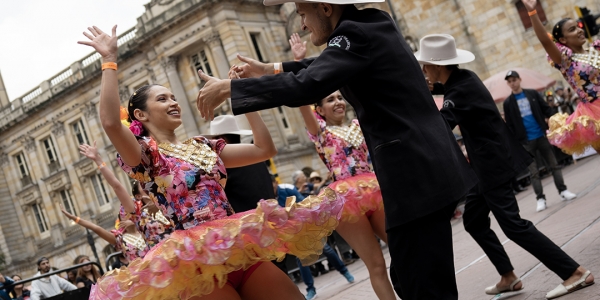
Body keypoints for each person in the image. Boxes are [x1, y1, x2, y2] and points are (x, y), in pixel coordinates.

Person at [196, 1, 478, 298]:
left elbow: (310, 82)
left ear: (325, 8)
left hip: (413, 172)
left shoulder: (353, 33)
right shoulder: (370, 24)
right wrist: (270, 69)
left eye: (303, 14)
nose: (302, 24)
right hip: (423, 167)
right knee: (417, 275)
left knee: (422, 282)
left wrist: (230, 88)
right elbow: (322, 66)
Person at [79, 25, 342, 300]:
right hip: (196, 263)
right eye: (162, 99)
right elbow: (110, 122)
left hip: (236, 244)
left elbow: (265, 148)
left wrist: (238, 92)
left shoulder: (204, 146)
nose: (174, 102)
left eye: (173, 97)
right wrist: (109, 61)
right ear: (140, 115)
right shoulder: (145, 156)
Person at [419, 33, 594, 300]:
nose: (424, 71)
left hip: (492, 164)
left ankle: (574, 272)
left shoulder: (459, 89)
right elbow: (452, 99)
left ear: (438, 65)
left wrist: (420, 98)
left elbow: (443, 124)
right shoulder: (464, 79)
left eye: (425, 65)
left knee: (513, 225)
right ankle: (508, 277)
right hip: (484, 164)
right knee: (474, 221)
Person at [286, 32, 394, 299]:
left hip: (375, 189)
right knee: (376, 265)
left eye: (339, 97)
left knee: (404, 250)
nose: (338, 102)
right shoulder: (320, 132)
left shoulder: (359, 125)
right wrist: (299, 63)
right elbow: (301, 100)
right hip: (346, 202)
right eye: (330, 99)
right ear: (319, 110)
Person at [523, 0, 600, 155]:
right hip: (595, 111)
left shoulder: (596, 49)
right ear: (563, 40)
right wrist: (532, 12)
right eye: (572, 30)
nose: (579, 31)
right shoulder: (566, 61)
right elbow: (545, 40)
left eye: (578, 27)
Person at [503, 70, 577, 212]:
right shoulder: (508, 103)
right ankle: (540, 198)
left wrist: (554, 120)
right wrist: (515, 143)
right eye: (509, 81)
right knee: (534, 172)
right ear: (508, 84)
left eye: (514, 80)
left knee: (554, 165)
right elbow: (510, 125)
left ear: (520, 79)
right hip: (525, 142)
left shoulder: (532, 94)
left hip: (541, 136)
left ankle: (563, 190)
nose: (512, 83)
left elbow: (546, 109)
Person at [204, 115, 276, 213]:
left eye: (213, 142)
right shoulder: (258, 158)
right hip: (273, 219)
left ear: (221, 139)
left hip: (247, 224)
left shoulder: (223, 166)